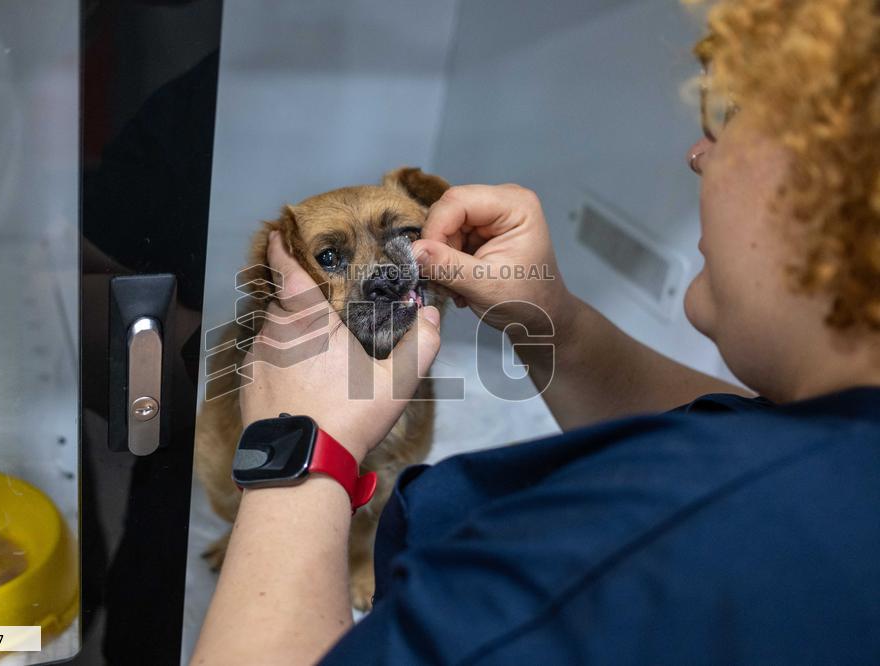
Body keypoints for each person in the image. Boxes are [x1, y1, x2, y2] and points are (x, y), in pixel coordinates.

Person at [191, 0, 880, 663]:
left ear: (837, 181)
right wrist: (559, 326)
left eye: (728, 117)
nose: (699, 153)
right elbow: (737, 431)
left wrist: (304, 451)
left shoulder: (611, 559)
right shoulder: (830, 448)